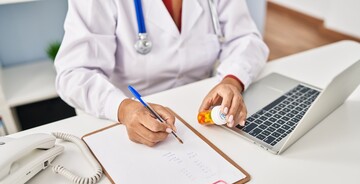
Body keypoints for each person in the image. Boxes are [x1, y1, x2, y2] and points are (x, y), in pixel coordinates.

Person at [55, 0, 269, 146]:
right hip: (129, 122)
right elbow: (74, 73)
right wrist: (123, 109)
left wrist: (232, 81)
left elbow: (246, 40)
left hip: (204, 115)